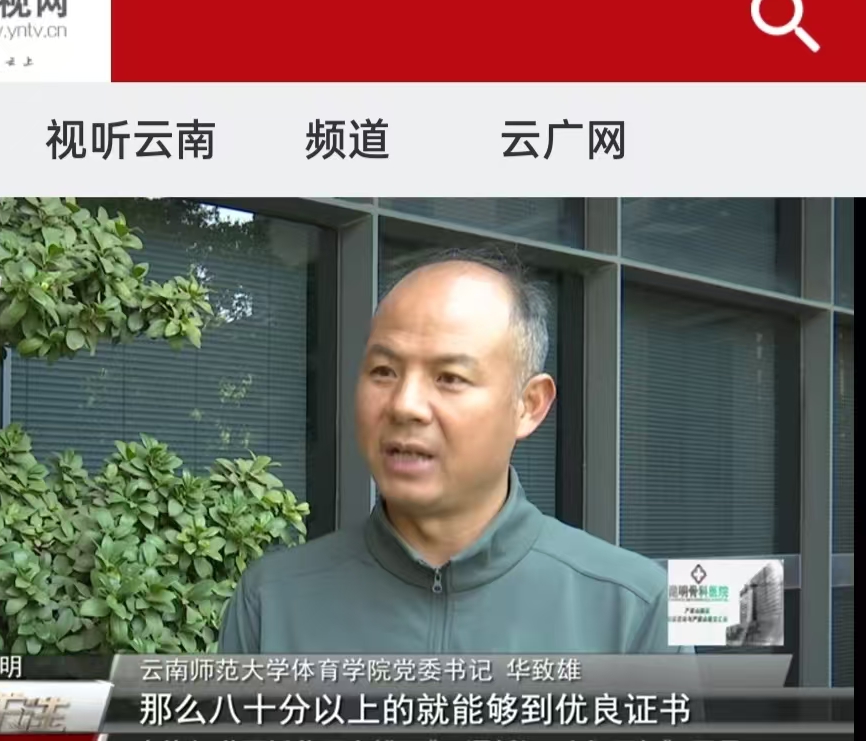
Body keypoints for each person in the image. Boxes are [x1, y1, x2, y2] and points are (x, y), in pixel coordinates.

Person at [219, 248, 685, 654]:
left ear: (529, 405)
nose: (405, 405)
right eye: (383, 371)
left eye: (450, 378)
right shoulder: (273, 601)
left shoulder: (634, 609)